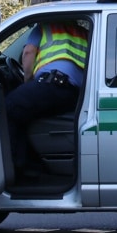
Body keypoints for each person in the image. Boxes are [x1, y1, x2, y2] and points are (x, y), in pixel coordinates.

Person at [5, 19, 89, 180]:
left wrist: (27, 81)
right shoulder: (83, 33)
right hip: (75, 93)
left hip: (54, 85)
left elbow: (28, 53)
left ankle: (21, 167)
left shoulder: (44, 27)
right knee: (25, 114)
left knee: (10, 107)